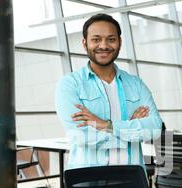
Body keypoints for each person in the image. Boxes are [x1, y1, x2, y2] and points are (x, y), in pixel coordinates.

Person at [55, 13, 162, 171]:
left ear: (120, 42)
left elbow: (155, 128)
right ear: (85, 43)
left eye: (111, 39)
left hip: (131, 178)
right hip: (89, 180)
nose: (104, 45)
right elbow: (81, 137)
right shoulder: (70, 84)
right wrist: (130, 131)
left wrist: (105, 125)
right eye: (96, 39)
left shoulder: (135, 84)